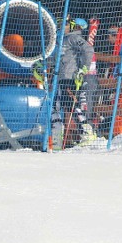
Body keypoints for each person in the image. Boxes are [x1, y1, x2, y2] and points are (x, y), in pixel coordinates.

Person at [52, 17, 95, 146]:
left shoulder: (73, 38)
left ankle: (87, 133)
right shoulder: (61, 40)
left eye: (65, 24)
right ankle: (56, 137)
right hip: (60, 78)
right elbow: (55, 58)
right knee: (58, 106)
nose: (62, 26)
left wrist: (84, 69)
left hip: (70, 78)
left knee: (71, 106)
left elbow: (88, 49)